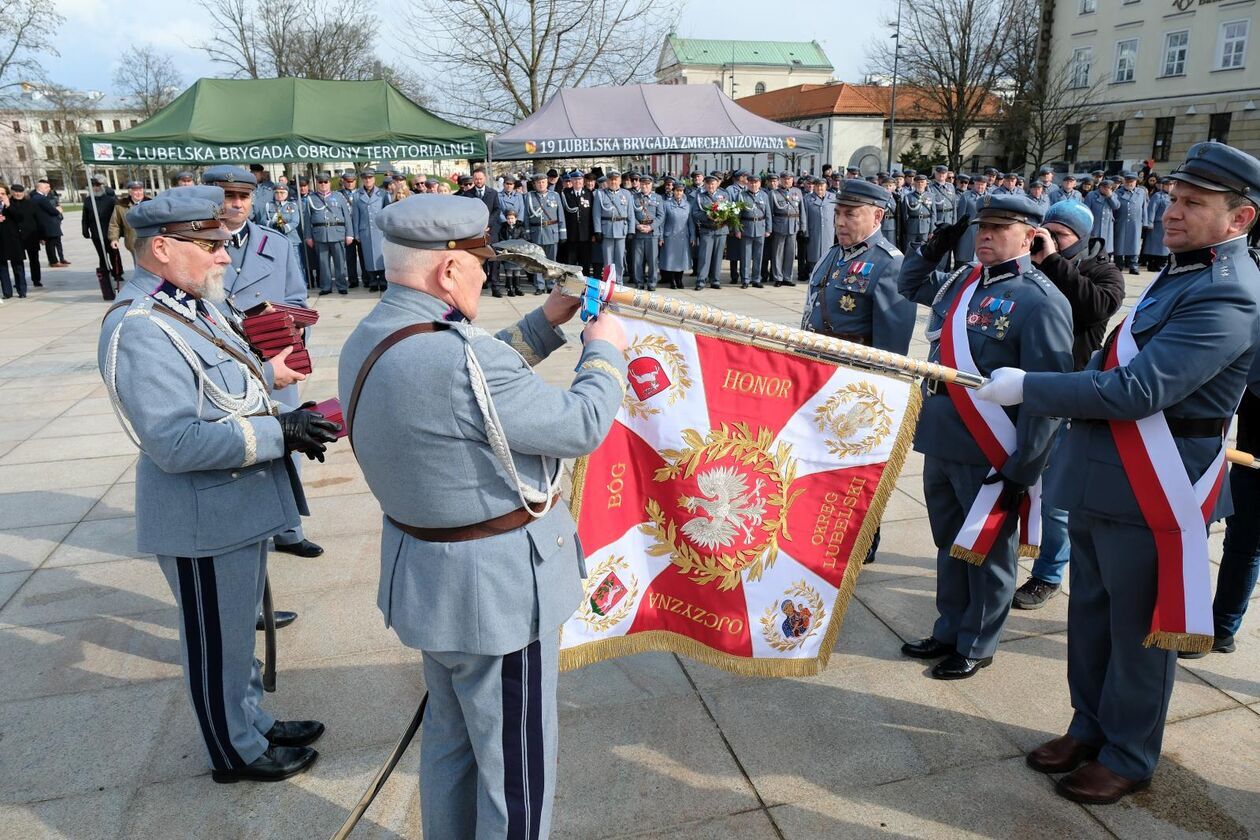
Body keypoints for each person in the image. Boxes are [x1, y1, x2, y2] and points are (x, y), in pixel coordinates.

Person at [975, 141, 1260, 804]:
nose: (1173, 211)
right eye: (1175, 197)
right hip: (1110, 471)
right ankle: (1090, 724)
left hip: (1157, 483)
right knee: (1094, 618)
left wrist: (1032, 387)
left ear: (1239, 219)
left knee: (1138, 630)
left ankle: (1130, 752)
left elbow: (1137, 390)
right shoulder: (1188, 270)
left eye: (1194, 203)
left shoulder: (1229, 293)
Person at [338, 194, 627, 839]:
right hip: (498, 597)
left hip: (432, 585)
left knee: (452, 744)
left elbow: (475, 379)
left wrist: (549, 320)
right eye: (478, 265)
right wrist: (604, 350)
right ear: (447, 271)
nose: (484, 276)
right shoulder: (458, 358)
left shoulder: (373, 333)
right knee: (517, 775)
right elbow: (580, 424)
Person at [98, 186, 337, 783]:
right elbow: (174, 442)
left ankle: (249, 720)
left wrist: (272, 382)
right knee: (217, 645)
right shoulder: (141, 326)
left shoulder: (190, 305)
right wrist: (281, 431)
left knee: (235, 635)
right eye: (208, 245)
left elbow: (221, 385)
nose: (224, 256)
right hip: (201, 516)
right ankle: (233, 751)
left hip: (237, 505)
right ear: (160, 248)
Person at [897, 194, 1073, 680]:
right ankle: (949, 626)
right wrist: (933, 245)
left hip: (992, 447)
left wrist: (1026, 463)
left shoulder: (1040, 299)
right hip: (943, 436)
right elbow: (907, 282)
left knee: (989, 552)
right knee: (949, 542)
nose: (987, 236)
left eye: (999, 228)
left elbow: (1048, 394)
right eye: (982, 228)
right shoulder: (962, 280)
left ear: (1030, 235)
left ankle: (977, 642)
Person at [202, 165, 324, 570]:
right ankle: (246, 535)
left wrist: (291, 341)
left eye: (243, 197)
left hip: (276, 362)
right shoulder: (197, 245)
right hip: (224, 368)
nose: (235, 205)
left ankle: (289, 530)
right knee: (240, 449)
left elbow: (297, 299)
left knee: (289, 441)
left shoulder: (276, 243)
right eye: (227, 196)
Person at [1011, 200, 1125, 610]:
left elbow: (1096, 307)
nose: (1049, 240)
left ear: (1081, 237)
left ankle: (1047, 574)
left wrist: (1053, 261)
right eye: (1046, 231)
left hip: (1067, 394)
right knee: (1013, 482)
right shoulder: (1029, 262)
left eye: (1060, 235)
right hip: (1022, 386)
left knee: (1054, 496)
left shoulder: (1102, 271)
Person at [803, 175, 919, 562]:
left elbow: (892, 346)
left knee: (858, 468)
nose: (841, 221)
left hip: (858, 384)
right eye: (838, 213)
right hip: (818, 375)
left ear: (877, 216)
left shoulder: (890, 265)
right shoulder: (833, 254)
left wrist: (876, 394)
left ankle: (861, 540)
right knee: (821, 462)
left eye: (851, 214)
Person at [302, 173, 353, 295]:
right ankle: (325, 286)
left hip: (337, 233)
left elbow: (347, 217)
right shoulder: (311, 198)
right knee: (323, 263)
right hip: (320, 235)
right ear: (317, 183)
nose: (323, 184)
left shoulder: (339, 196)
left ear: (330, 182)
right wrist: (308, 236)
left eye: (326, 182)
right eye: (320, 182)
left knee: (340, 262)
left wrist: (349, 234)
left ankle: (341, 285)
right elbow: (307, 219)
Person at [525, 172, 566, 295]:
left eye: (543, 182)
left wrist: (562, 233)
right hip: (536, 232)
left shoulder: (555, 195)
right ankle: (539, 285)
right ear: (534, 184)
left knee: (551, 261)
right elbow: (527, 216)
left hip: (552, 231)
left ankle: (550, 284)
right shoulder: (530, 197)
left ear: (547, 183)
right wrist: (527, 232)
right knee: (537, 261)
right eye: (538, 183)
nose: (541, 184)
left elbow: (561, 215)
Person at [354, 168, 391, 292]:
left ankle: (383, 280)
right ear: (362, 180)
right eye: (365, 178)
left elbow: (387, 213)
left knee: (381, 256)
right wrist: (356, 233)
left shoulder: (382, 194)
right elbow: (355, 216)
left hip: (380, 231)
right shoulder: (357, 195)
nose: (368, 180)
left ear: (374, 179)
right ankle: (373, 281)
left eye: (370, 178)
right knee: (368, 256)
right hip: (365, 231)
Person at [592, 170, 631, 283]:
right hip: (607, 230)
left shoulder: (626, 194)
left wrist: (631, 231)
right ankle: (609, 282)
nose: (613, 182)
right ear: (608, 181)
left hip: (621, 229)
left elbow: (631, 215)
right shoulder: (600, 194)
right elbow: (596, 214)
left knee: (620, 259)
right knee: (608, 260)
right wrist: (598, 231)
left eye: (615, 179)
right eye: (611, 179)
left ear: (620, 181)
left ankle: (619, 282)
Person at [692, 173, 729, 290]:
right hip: (707, 230)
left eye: (713, 184)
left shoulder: (724, 195)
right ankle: (701, 281)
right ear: (705, 185)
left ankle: (715, 280)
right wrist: (707, 216)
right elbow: (695, 213)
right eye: (708, 184)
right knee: (704, 257)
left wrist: (723, 217)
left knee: (718, 257)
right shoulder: (699, 196)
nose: (710, 186)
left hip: (721, 230)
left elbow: (731, 210)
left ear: (717, 184)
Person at [629, 175, 663, 291]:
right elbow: (630, 214)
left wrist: (651, 227)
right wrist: (637, 225)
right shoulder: (633, 197)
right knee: (638, 260)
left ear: (651, 185)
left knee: (653, 260)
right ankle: (639, 282)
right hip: (638, 233)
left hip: (652, 234)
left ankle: (652, 282)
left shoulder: (657, 198)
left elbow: (661, 216)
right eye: (643, 184)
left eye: (647, 184)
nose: (645, 186)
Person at [659, 181, 695, 291]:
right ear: (673, 191)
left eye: (681, 191)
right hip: (670, 236)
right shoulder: (666, 204)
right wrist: (661, 237)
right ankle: (672, 281)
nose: (679, 193)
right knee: (671, 260)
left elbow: (691, 223)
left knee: (681, 260)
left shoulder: (687, 205)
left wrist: (693, 236)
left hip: (683, 236)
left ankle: (679, 280)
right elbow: (662, 222)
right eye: (677, 191)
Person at [737, 173, 770, 289]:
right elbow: (737, 215)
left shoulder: (764, 196)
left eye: (756, 182)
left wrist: (768, 229)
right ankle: (745, 280)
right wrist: (737, 229)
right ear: (748, 183)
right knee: (745, 256)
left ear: (759, 183)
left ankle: (756, 279)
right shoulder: (742, 195)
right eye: (751, 182)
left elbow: (768, 213)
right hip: (746, 228)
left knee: (758, 256)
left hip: (760, 228)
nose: (753, 184)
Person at [769, 171, 801, 287]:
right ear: (780, 181)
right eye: (784, 179)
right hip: (779, 225)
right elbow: (770, 212)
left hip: (793, 225)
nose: (787, 181)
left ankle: (787, 277)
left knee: (790, 253)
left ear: (792, 180)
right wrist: (770, 227)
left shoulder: (797, 192)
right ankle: (778, 277)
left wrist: (803, 226)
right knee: (778, 253)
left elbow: (802, 211)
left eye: (789, 179)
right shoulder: (774, 193)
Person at [261, 182, 303, 269]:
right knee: (280, 265)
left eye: (282, 192)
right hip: (275, 239)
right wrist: (272, 224)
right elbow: (263, 220)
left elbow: (295, 221)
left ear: (287, 194)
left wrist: (284, 228)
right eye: (277, 192)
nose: (279, 195)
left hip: (291, 239)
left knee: (295, 265)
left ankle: (301, 282)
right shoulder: (269, 205)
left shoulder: (292, 205)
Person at [1112, 172, 1147, 275]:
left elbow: (1144, 207)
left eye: (1132, 182)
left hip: (1135, 223)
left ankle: (1133, 266)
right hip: (1121, 221)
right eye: (1128, 181)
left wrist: (1145, 222)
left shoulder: (1141, 193)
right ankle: (1119, 265)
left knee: (1134, 244)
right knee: (1119, 244)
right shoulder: (1118, 193)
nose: (1130, 184)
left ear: (1136, 182)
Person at [109, 180, 148, 270]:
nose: (138, 193)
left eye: (140, 190)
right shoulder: (121, 205)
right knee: (138, 265)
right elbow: (114, 223)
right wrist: (114, 239)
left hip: (150, 240)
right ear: (130, 192)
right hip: (133, 240)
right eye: (135, 190)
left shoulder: (151, 202)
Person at [802, 176, 836, 274]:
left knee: (828, 254)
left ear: (826, 186)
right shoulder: (808, 199)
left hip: (829, 232)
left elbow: (836, 215)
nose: (819, 188)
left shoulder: (832, 198)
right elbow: (805, 216)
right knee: (813, 254)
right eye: (817, 186)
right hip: (814, 231)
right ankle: (813, 274)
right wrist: (805, 232)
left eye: (821, 186)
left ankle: (826, 275)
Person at [32, 180, 68, 268]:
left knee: (50, 243)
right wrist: (58, 210)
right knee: (51, 244)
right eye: (46, 187)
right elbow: (51, 210)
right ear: (40, 188)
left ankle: (53, 260)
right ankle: (54, 261)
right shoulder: (41, 198)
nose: (49, 189)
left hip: (45, 224)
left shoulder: (35, 197)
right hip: (48, 224)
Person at [0, 185, 27, 298]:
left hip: (13, 239)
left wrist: (9, 205)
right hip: (0, 240)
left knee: (18, 266)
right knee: (2, 267)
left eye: (3, 193)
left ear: (7, 194)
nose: (0, 196)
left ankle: (22, 290)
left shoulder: (14, 203)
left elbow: (20, 217)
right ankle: (7, 292)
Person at [337, 171, 363, 288]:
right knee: (350, 256)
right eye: (347, 181)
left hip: (360, 227)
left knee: (363, 255)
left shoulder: (361, 193)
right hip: (347, 228)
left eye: (352, 181)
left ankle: (366, 278)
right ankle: (353, 280)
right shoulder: (338, 194)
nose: (350, 184)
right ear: (343, 181)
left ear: (355, 181)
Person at [1141, 178, 1172, 272]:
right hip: (1158, 224)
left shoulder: (1174, 196)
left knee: (1165, 247)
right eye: (1167, 185)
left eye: (1171, 185)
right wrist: (1149, 223)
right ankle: (1153, 264)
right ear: (1163, 186)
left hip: (1169, 224)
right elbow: (1152, 209)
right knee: (1155, 246)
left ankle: (1161, 263)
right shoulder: (1158, 196)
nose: (1169, 187)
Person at [898, 174, 935, 254]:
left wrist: (932, 231)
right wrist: (905, 229)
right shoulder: (908, 197)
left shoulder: (931, 196)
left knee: (924, 249)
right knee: (910, 249)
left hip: (925, 227)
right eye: (918, 182)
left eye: (922, 182)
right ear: (914, 184)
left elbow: (933, 214)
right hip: (912, 227)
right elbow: (904, 215)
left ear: (926, 184)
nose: (920, 184)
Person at [1085, 179, 1119, 256]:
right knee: (1094, 245)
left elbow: (1116, 206)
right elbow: (1086, 209)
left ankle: (1106, 259)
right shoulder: (1091, 195)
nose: (1105, 189)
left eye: (1108, 188)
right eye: (1104, 187)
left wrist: (1110, 197)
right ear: (1100, 187)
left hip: (1107, 224)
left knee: (1106, 246)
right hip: (1095, 224)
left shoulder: (1113, 195)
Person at [497, 209, 528, 295]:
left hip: (517, 252)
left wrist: (518, 246)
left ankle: (517, 287)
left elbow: (524, 238)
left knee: (517, 270)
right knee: (509, 270)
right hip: (508, 252)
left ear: (516, 218)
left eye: (512, 218)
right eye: (508, 218)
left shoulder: (520, 227)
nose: (510, 220)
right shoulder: (503, 228)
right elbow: (501, 239)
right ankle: (509, 288)